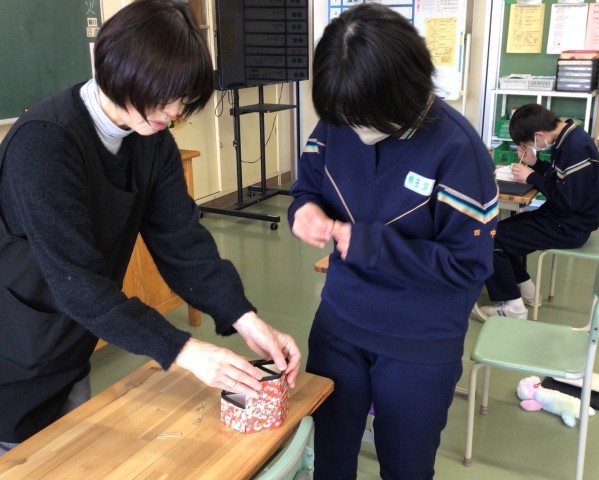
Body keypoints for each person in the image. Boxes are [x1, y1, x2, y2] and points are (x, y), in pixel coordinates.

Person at [0, 0, 300, 455]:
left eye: (182, 99)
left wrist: (246, 318)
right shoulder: (44, 142)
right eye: (164, 97)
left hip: (70, 347)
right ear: (123, 73)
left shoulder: (151, 141)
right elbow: (76, 283)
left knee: (71, 452)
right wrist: (184, 350)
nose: (174, 112)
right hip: (12, 356)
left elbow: (183, 243)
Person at [287, 4, 498, 479]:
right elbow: (307, 188)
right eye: (343, 116)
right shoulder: (338, 121)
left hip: (418, 341)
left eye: (364, 117)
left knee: (405, 467)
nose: (353, 127)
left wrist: (370, 245)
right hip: (340, 322)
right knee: (330, 457)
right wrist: (304, 211)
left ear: (404, 90)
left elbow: (468, 266)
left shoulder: (458, 150)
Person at [480, 103, 599, 319]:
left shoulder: (574, 149)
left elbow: (568, 201)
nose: (531, 146)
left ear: (539, 135)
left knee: (489, 238)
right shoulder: (569, 136)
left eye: (529, 143)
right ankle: (528, 292)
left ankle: (514, 308)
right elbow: (561, 180)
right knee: (498, 232)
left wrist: (531, 176)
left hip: (569, 227)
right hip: (560, 218)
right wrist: (535, 163)